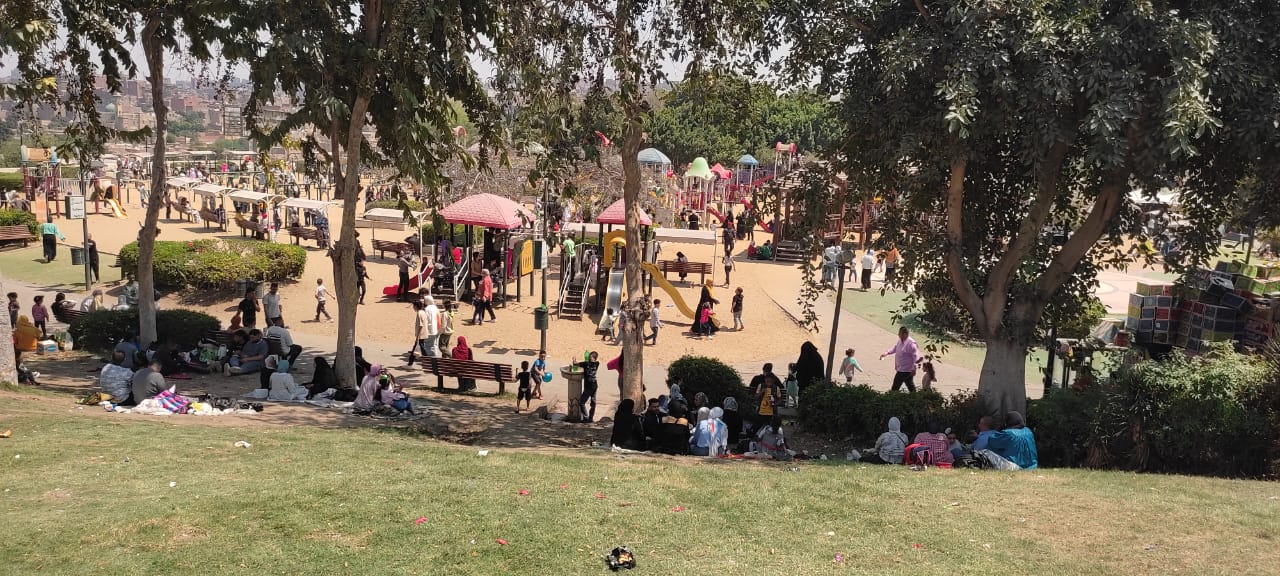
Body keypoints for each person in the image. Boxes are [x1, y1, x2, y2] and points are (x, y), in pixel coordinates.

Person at [880, 327, 921, 392]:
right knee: (910, 385)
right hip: (901, 368)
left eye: (900, 333)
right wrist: (887, 353)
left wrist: (914, 368)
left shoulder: (911, 344)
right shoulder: (900, 340)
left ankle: (892, 396)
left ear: (905, 334)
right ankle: (915, 396)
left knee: (895, 387)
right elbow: (896, 348)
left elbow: (916, 357)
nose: (898, 335)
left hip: (906, 370)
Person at [574, 351, 601, 423]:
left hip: (589, 386)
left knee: (582, 402)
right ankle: (590, 418)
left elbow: (575, 364)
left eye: (590, 357)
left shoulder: (586, 364)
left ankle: (586, 418)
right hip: (594, 385)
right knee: (593, 403)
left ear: (594, 358)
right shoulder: (597, 363)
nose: (589, 358)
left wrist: (574, 361)